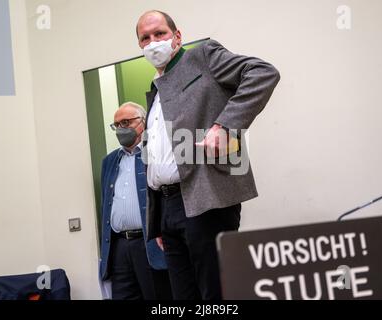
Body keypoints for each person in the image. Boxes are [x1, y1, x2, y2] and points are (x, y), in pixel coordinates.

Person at [136, 10, 280, 300]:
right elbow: (158, 157)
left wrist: (225, 126)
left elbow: (263, 73)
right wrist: (160, 221)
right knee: (183, 298)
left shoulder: (203, 56)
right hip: (168, 208)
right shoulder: (155, 89)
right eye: (145, 38)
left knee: (215, 294)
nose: (153, 42)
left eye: (159, 34)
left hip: (206, 200)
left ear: (177, 37)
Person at [99, 101, 172, 300]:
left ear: (142, 122)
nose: (121, 129)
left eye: (126, 122)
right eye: (116, 125)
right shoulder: (109, 161)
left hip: (149, 242)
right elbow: (105, 205)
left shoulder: (155, 153)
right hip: (119, 247)